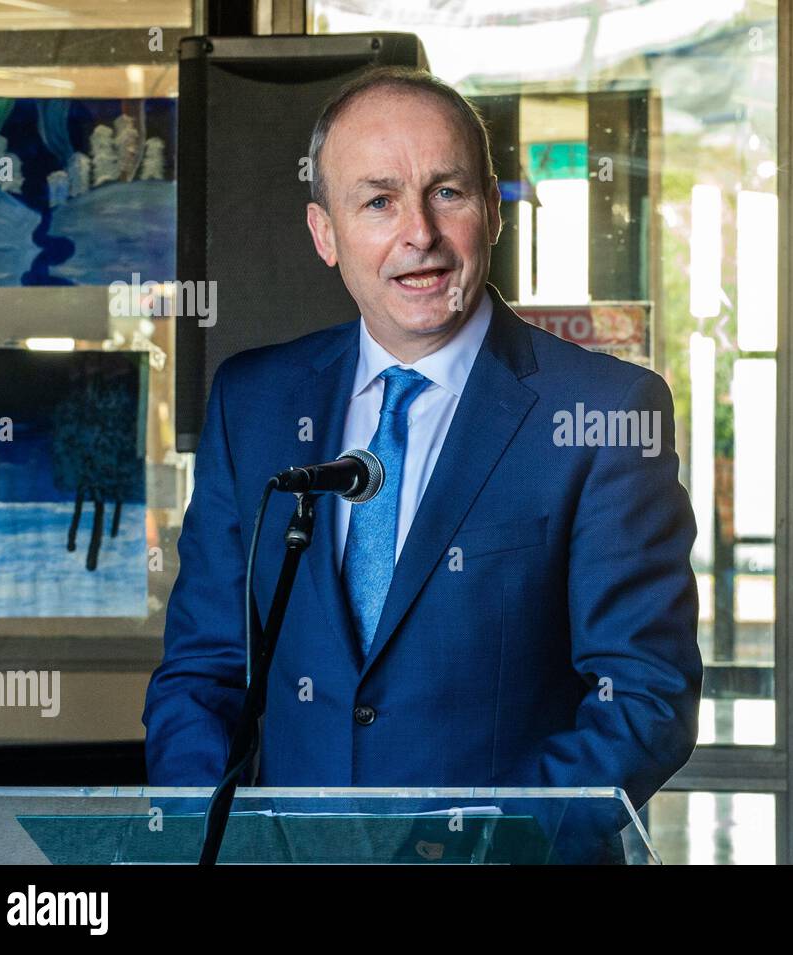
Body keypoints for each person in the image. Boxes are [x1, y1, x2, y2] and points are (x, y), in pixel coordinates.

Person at [142, 67, 703, 836]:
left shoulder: (606, 410)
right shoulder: (253, 403)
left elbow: (644, 696)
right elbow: (201, 673)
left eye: (447, 191)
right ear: (325, 233)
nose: (420, 234)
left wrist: (477, 848)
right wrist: (202, 841)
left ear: (493, 211)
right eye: (379, 201)